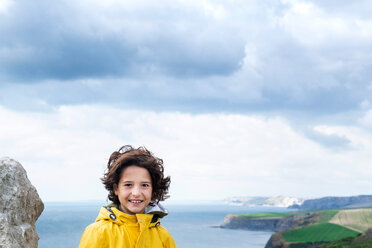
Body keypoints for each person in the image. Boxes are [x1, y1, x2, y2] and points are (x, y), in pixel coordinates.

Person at [78, 145, 177, 247]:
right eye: (128, 185)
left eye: (144, 185)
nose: (136, 193)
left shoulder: (163, 236)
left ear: (153, 189)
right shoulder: (97, 232)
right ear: (116, 188)